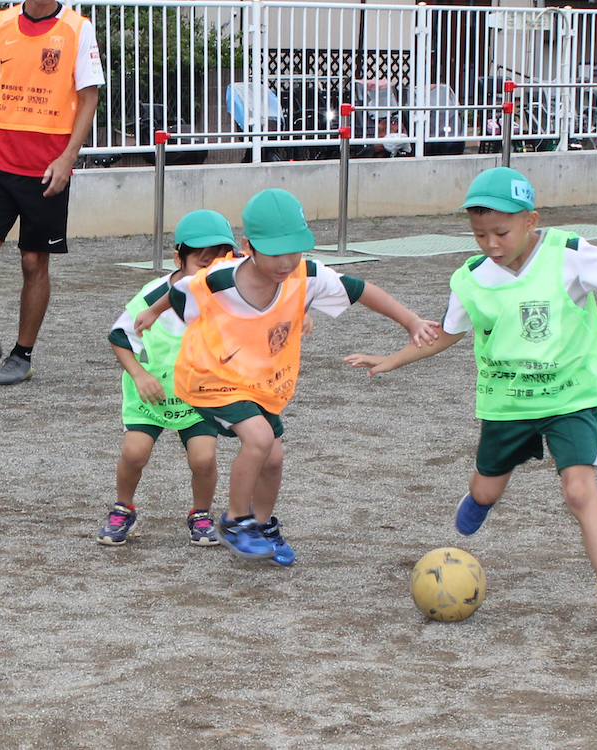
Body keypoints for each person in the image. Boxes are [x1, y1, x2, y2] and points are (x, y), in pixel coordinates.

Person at [345, 166, 597, 629]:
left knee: (580, 490)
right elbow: (447, 333)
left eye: (500, 232)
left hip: (569, 396)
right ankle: (480, 500)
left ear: (530, 220)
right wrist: (392, 359)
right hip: (507, 404)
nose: (491, 244)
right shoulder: (472, 277)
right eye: (479, 234)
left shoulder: (568, 252)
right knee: (485, 488)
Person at [136, 189, 440, 566]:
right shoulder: (221, 279)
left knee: (274, 457)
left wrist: (410, 321)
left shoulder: (306, 275)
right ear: (248, 246)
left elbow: (361, 290)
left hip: (261, 381)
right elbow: (180, 288)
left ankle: (262, 527)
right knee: (260, 438)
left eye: (295, 250)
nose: (286, 262)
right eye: (276, 252)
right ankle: (234, 520)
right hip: (210, 377)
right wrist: (152, 312)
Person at [0, 0, 105, 385]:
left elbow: (89, 98)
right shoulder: (0, 24)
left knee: (33, 262)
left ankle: (21, 355)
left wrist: (67, 159)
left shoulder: (78, 28)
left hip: (46, 167)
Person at [98, 211, 238, 547]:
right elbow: (119, 337)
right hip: (151, 395)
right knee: (134, 454)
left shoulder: (228, 295)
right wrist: (139, 374)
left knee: (203, 459)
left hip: (199, 396)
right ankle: (123, 508)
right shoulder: (152, 295)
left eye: (218, 265)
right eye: (202, 264)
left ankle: (201, 515)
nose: (209, 273)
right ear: (178, 257)